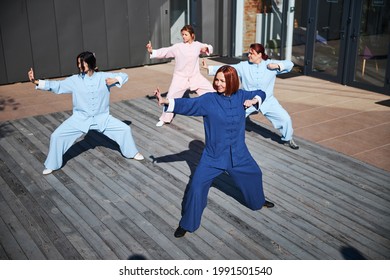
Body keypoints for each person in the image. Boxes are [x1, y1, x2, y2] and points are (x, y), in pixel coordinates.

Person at [154, 65, 275, 238]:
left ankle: (258, 201)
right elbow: (188, 104)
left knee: (255, 174)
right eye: (216, 80)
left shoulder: (241, 95)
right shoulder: (209, 100)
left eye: (222, 81)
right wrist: (166, 101)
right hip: (213, 156)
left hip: (239, 154)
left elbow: (261, 92)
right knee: (196, 187)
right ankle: (188, 223)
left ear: (232, 81)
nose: (217, 84)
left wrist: (254, 100)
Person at [27, 51, 144, 175]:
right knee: (56, 136)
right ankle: (52, 164)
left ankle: (132, 153)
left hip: (102, 118)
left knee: (124, 129)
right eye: (78, 63)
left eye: (82, 63)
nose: (79, 66)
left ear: (90, 63)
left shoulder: (103, 77)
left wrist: (115, 79)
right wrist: (36, 82)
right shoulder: (74, 80)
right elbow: (57, 85)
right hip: (80, 119)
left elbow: (124, 75)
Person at [204, 43, 299, 149]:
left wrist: (277, 66)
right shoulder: (243, 66)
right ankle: (221, 139)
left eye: (251, 53)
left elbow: (289, 64)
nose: (249, 55)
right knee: (230, 118)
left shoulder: (270, 64)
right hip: (247, 100)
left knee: (285, 118)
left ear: (260, 54)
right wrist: (210, 68)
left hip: (267, 100)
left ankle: (287, 139)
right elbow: (228, 68)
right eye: (249, 53)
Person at [146, 24, 214, 127]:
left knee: (211, 91)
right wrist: (152, 51)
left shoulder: (197, 45)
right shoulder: (178, 47)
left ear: (192, 35)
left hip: (195, 76)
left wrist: (206, 48)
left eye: (186, 34)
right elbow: (165, 51)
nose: (183, 37)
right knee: (170, 97)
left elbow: (209, 47)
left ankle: (219, 109)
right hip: (180, 78)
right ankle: (165, 119)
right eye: (182, 34)